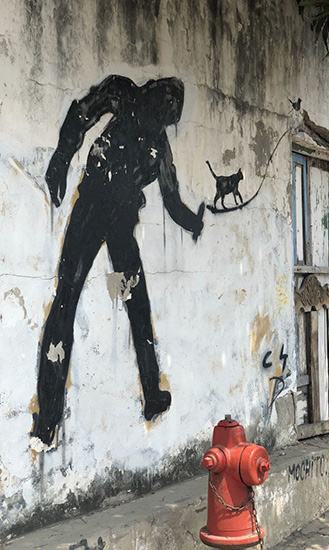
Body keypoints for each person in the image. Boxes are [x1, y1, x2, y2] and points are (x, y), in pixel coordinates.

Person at [31, 75, 204, 445]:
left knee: (137, 307)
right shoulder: (124, 94)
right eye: (161, 110)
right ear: (150, 97)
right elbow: (82, 114)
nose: (161, 120)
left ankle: (152, 394)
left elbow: (172, 200)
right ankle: (47, 417)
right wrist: (61, 158)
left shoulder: (159, 145)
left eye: (168, 117)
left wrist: (194, 222)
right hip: (92, 209)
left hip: (121, 221)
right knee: (66, 300)